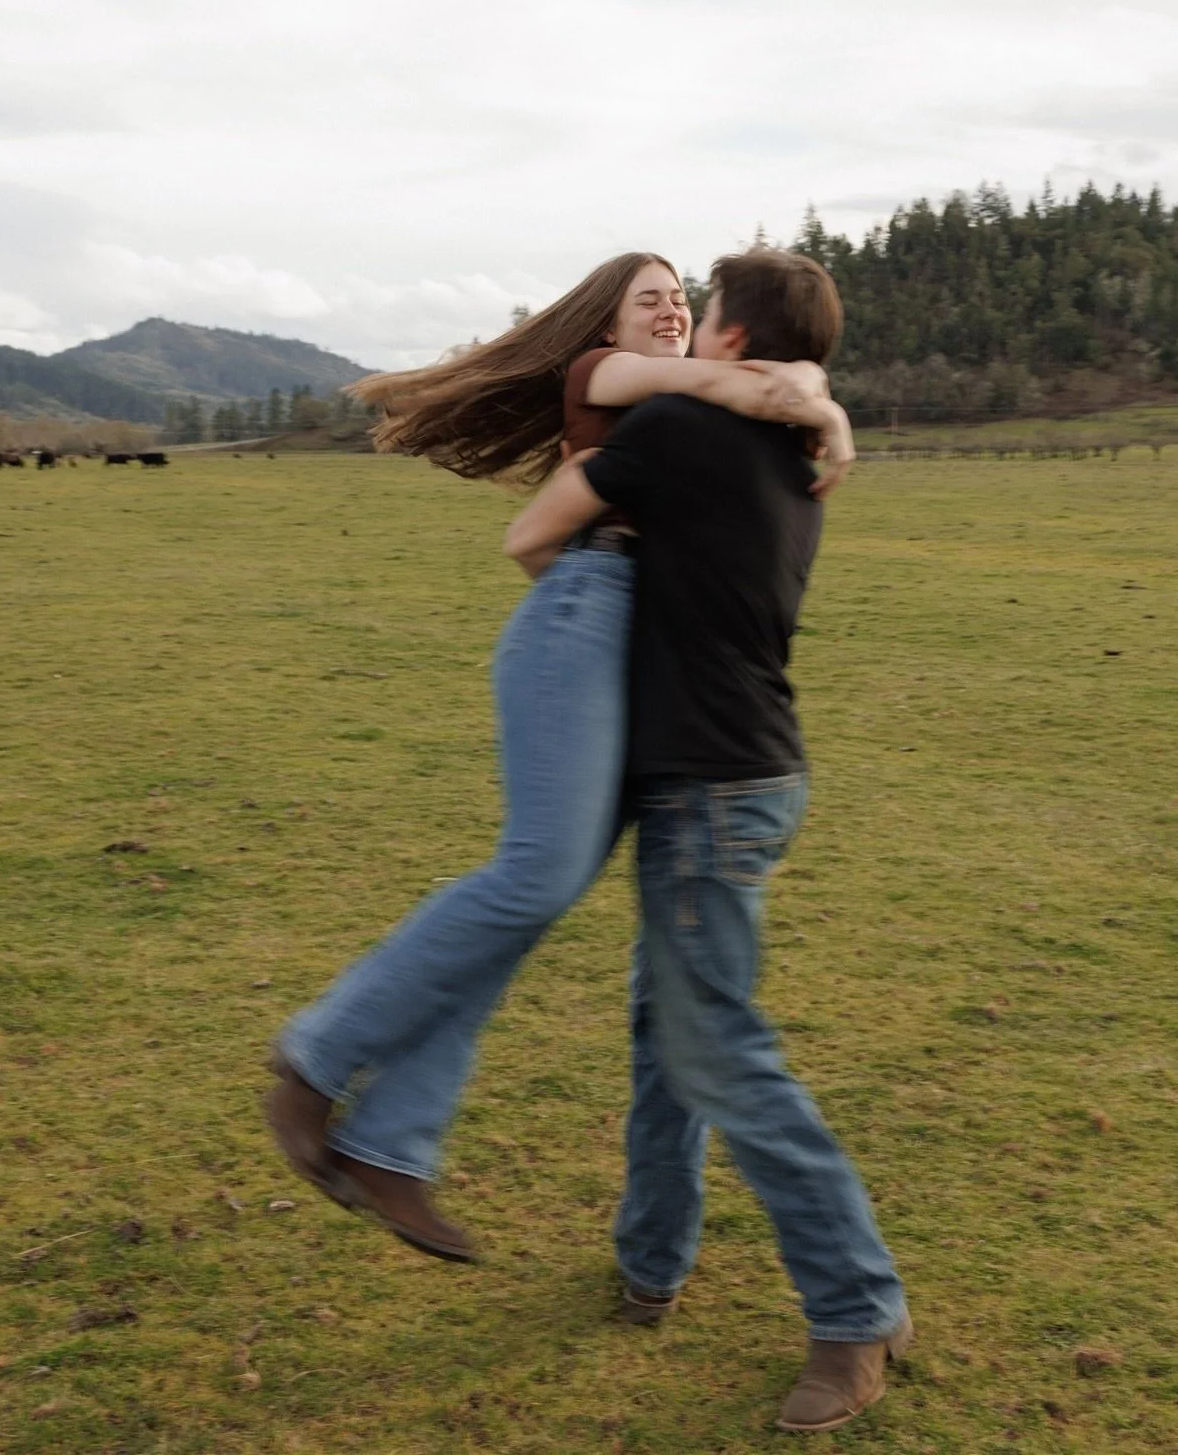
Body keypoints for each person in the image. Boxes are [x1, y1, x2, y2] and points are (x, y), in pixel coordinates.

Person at [264, 251, 854, 1265]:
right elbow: (543, 530)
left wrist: (810, 402)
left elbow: (739, 394)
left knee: (530, 902)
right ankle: (317, 1059)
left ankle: (391, 1139)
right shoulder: (605, 371)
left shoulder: (693, 403)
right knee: (533, 874)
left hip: (636, 642)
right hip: (591, 605)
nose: (670, 314)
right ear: (607, 317)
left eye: (682, 301)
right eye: (651, 298)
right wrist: (802, 398)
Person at [504, 246, 912, 1435]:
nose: (687, 333)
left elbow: (534, 537)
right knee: (664, 1029)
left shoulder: (681, 430)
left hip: (707, 784)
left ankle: (856, 1308)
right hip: (746, 765)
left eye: (703, 315)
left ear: (729, 340)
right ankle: (651, 1260)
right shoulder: (794, 451)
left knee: (720, 1050)